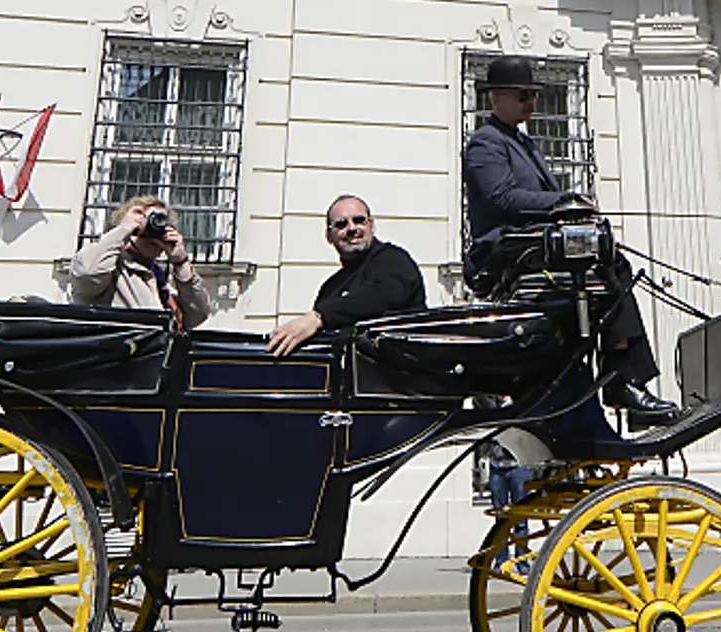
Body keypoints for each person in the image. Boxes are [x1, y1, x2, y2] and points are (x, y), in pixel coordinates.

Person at [463, 55, 677, 425]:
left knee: (613, 261)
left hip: (533, 244)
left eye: (533, 95)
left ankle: (622, 373)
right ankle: (622, 378)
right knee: (607, 264)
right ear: (497, 96)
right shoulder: (486, 142)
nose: (532, 103)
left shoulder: (524, 144)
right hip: (507, 250)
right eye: (524, 96)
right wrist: (565, 202)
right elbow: (502, 198)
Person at [268, 195, 427, 355]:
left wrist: (319, 317)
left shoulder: (394, 260)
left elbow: (380, 297)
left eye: (359, 220)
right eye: (341, 224)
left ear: (371, 226)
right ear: (329, 236)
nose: (352, 228)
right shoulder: (331, 287)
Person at [64, 196, 213, 328]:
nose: (154, 230)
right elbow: (87, 275)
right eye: (148, 222)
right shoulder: (110, 267)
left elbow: (197, 315)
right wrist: (123, 229)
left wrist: (181, 262)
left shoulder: (159, 282)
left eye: (162, 223)